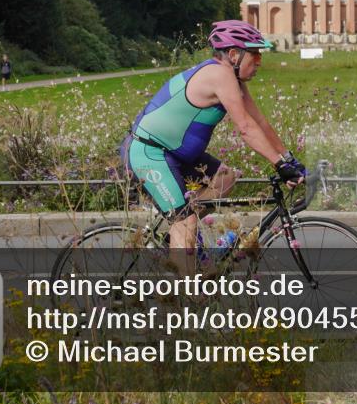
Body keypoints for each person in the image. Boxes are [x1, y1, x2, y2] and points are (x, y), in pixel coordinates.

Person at [120, 20, 306, 257]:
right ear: (233, 54)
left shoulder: (233, 79)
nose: (259, 61)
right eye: (255, 54)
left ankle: (184, 240)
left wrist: (289, 160)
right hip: (150, 153)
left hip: (174, 154)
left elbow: (260, 122)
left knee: (224, 178)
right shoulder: (219, 74)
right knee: (185, 221)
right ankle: (187, 290)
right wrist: (280, 166)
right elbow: (246, 128)